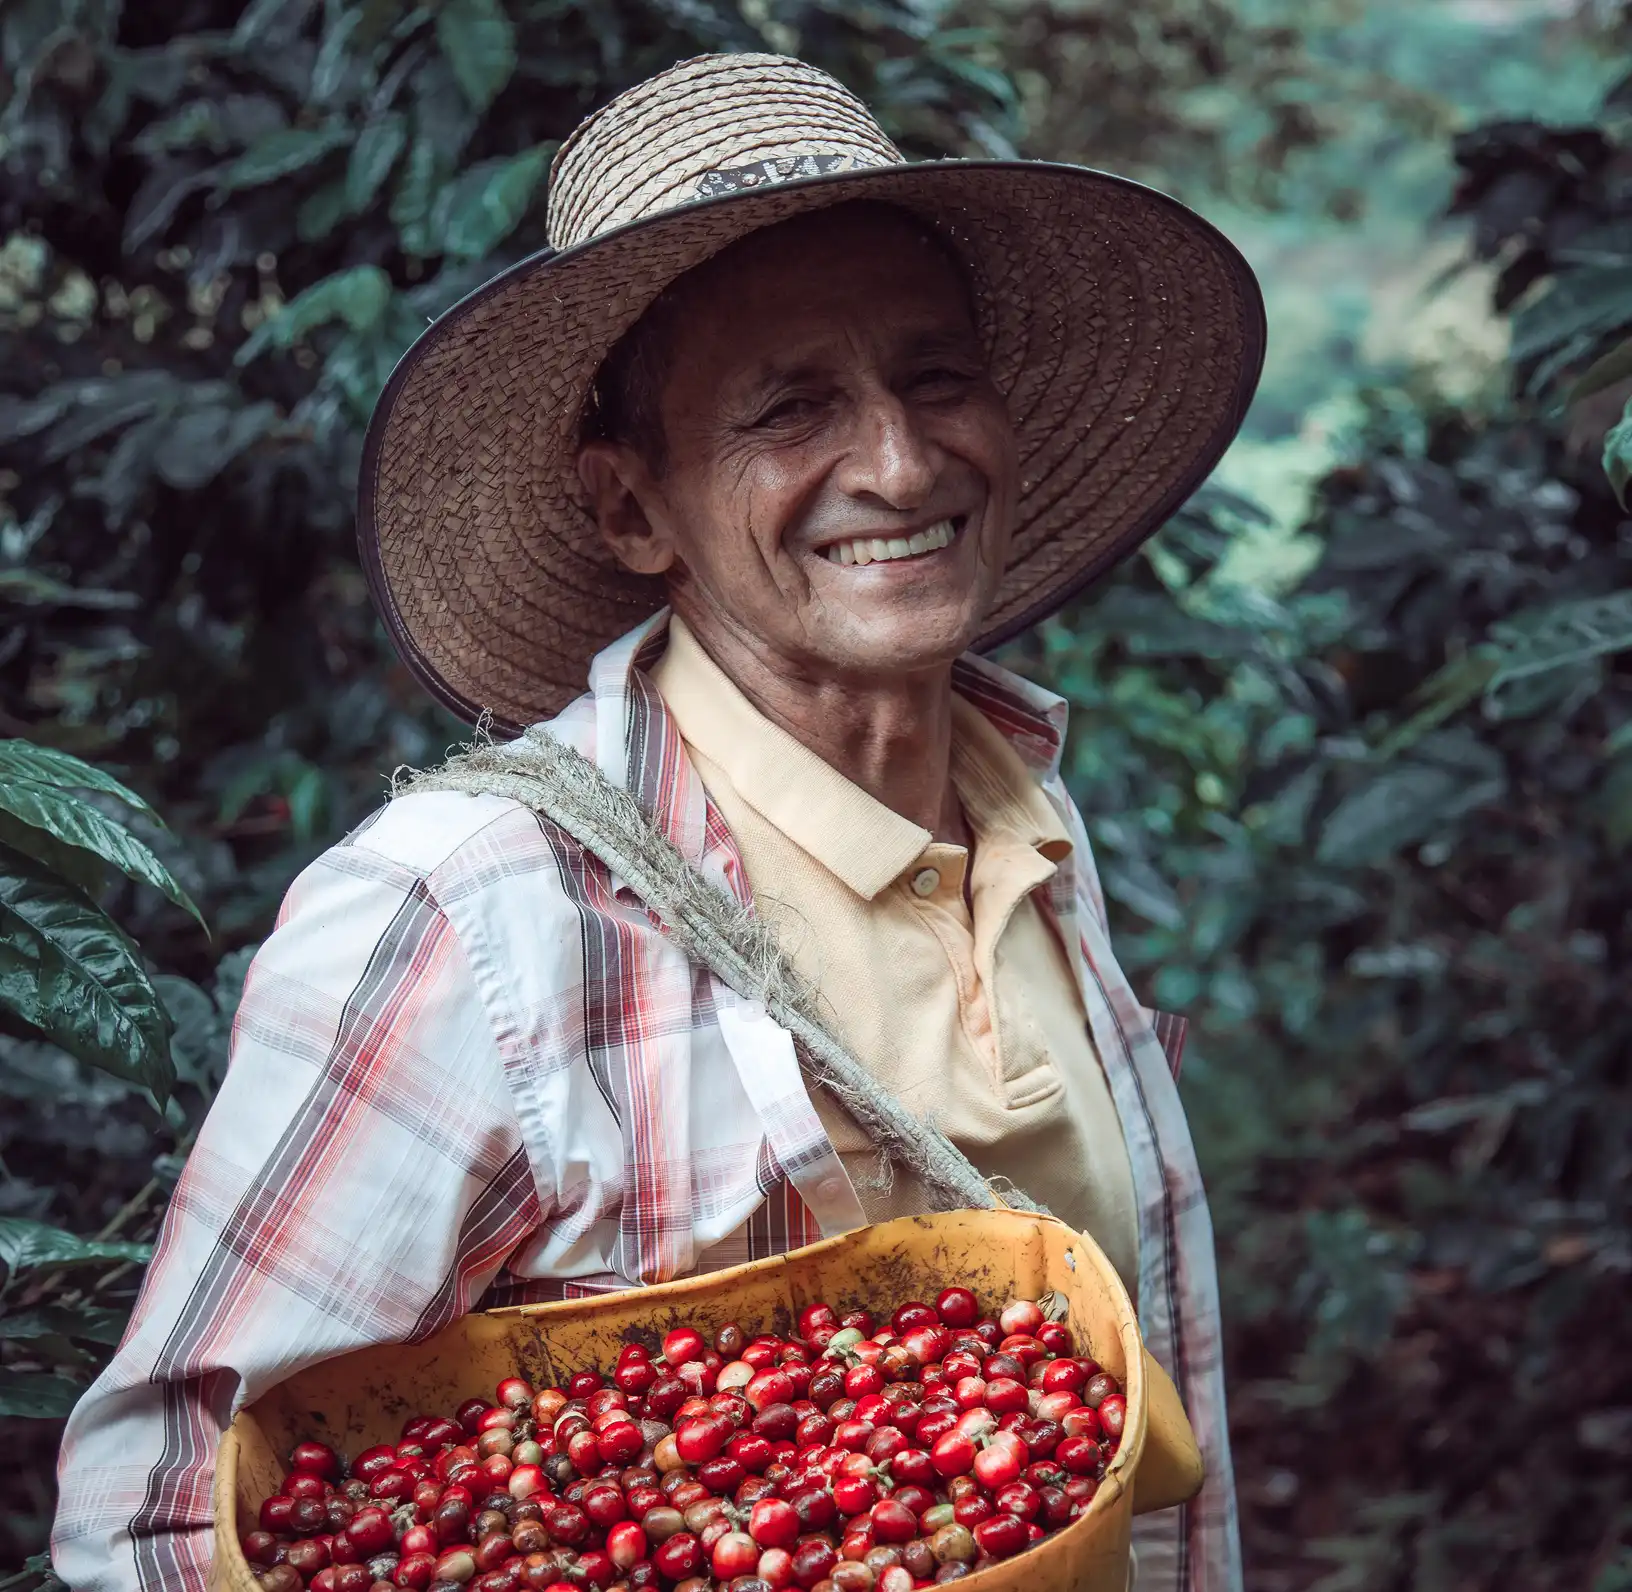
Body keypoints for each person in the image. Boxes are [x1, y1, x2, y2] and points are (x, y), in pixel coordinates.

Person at [52, 52, 1265, 1592]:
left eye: (936, 376)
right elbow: (155, 1520)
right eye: (790, 407)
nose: (898, 459)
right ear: (632, 507)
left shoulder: (1028, 819)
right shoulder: (473, 914)